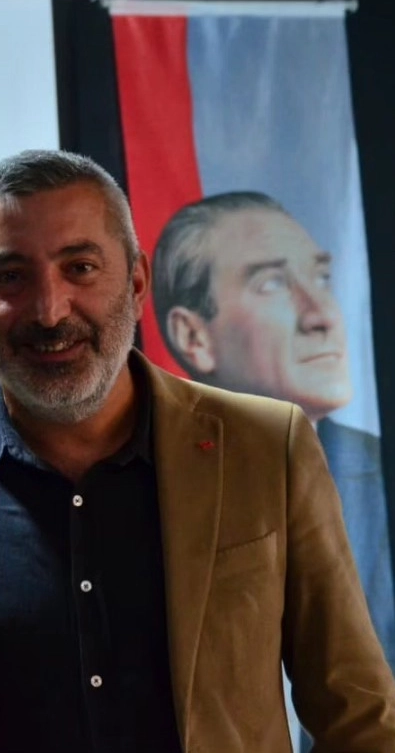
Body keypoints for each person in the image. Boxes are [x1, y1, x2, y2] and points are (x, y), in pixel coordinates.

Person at [0, 150, 395, 753]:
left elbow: (358, 715)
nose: (50, 310)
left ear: (138, 281)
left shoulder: (266, 447)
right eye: (10, 276)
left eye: (81, 267)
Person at [152, 190, 395, 664]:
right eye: (272, 284)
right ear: (194, 336)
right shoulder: (146, 486)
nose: (322, 315)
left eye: (321, 278)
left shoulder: (378, 470)